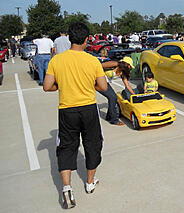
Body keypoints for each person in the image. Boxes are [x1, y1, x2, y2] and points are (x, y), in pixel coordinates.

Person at [43, 22, 107, 209]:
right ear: (87, 40)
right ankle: (90, 182)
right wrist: (88, 85)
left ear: (70, 38)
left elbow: (47, 86)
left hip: (67, 110)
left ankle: (66, 187)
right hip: (88, 108)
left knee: (67, 147)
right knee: (93, 143)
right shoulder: (93, 60)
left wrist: (62, 85)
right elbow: (103, 87)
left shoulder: (57, 60)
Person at [98, 56, 137, 125]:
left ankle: (109, 117)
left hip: (105, 82)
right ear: (126, 64)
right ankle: (114, 120)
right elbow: (99, 66)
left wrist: (134, 95)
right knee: (113, 97)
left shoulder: (123, 72)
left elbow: (127, 85)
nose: (130, 68)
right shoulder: (115, 64)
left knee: (113, 97)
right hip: (97, 80)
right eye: (130, 66)